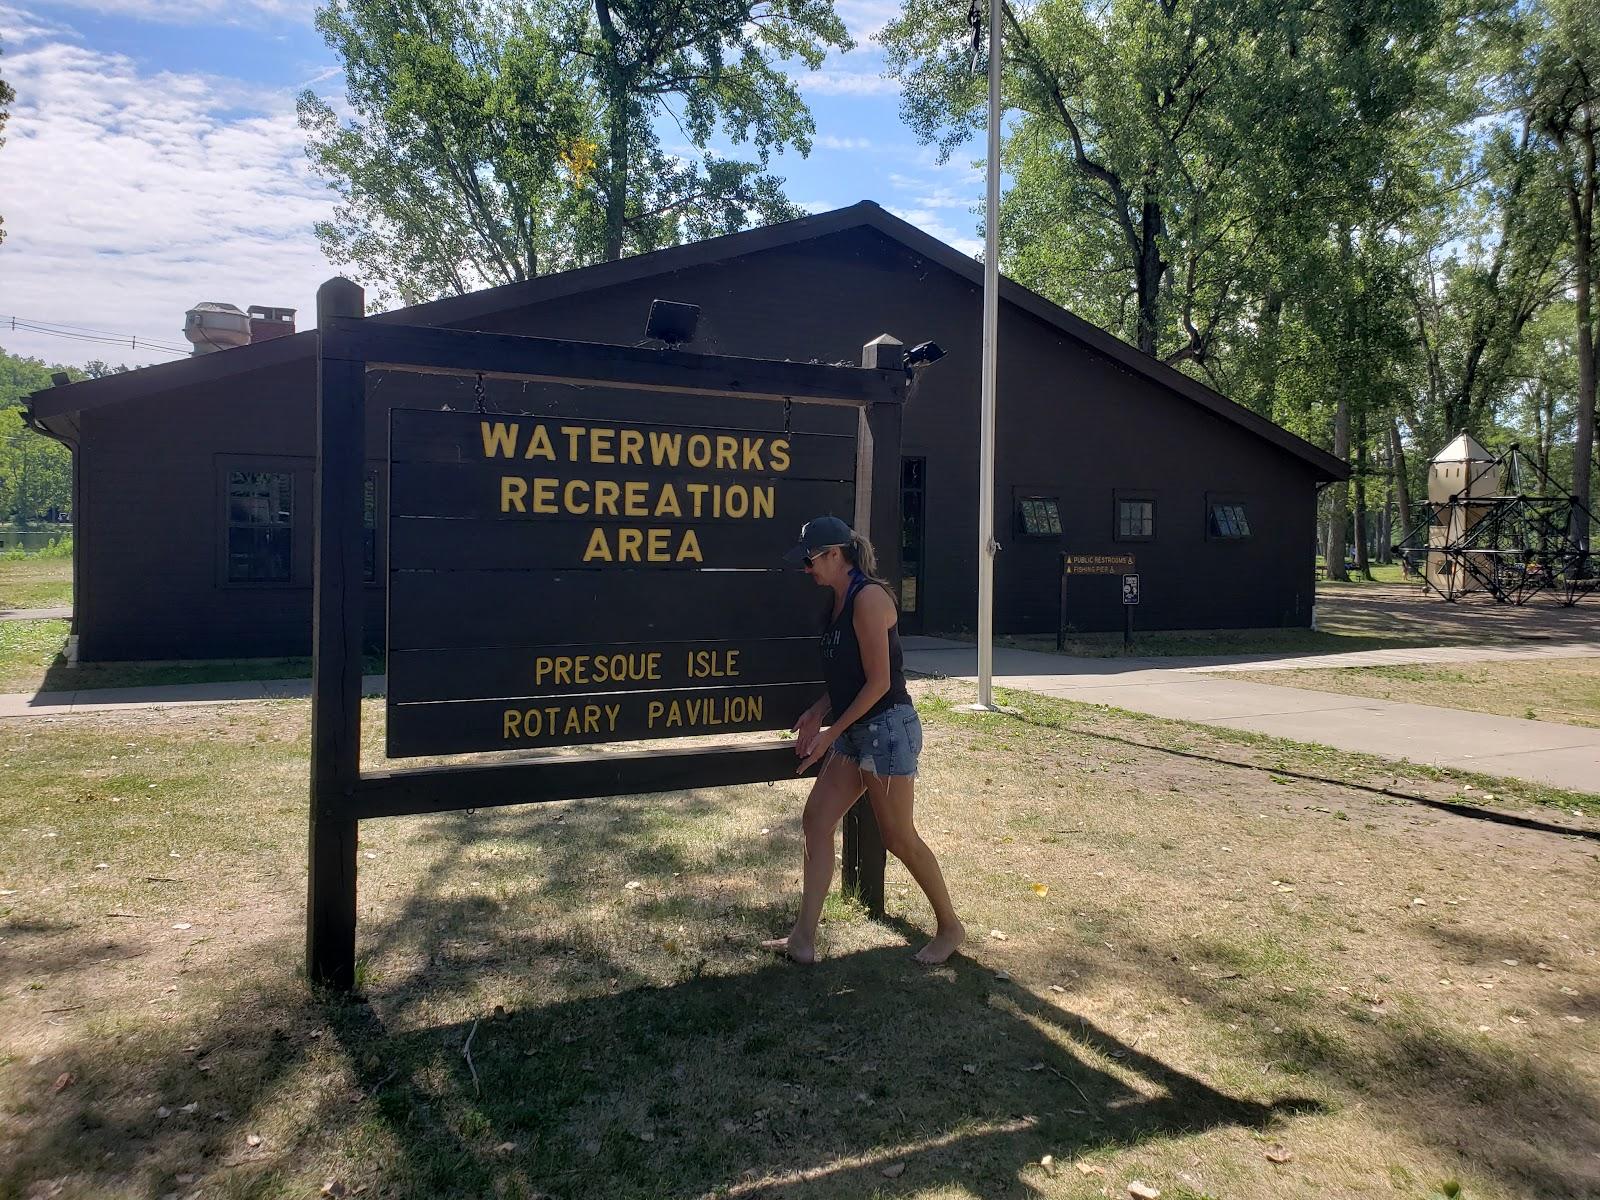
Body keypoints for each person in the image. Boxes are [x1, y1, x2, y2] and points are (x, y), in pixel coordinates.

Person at [762, 516, 965, 965]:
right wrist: (817, 712)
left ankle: (951, 927)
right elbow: (849, 678)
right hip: (857, 731)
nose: (806, 569)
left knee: (898, 838)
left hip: (887, 729)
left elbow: (878, 682)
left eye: (811, 560)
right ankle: (803, 940)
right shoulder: (837, 601)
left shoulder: (869, 598)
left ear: (836, 554)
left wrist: (830, 732)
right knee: (816, 820)